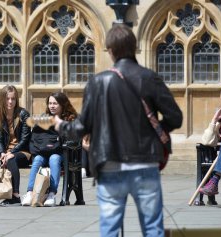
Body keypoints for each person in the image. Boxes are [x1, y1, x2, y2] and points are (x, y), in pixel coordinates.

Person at [54, 24, 183, 237]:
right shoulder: (149, 77)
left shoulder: (97, 82)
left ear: (111, 51)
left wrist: (61, 125)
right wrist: (155, 132)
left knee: (110, 229)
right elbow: (175, 117)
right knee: (153, 229)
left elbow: (81, 127)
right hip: (145, 163)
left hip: (110, 164)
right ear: (135, 47)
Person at [21, 92, 78, 207]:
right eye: (50, 103)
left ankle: (52, 194)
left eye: (55, 103)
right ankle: (30, 192)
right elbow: (35, 138)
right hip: (43, 152)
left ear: (62, 105)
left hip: (63, 154)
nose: (52, 106)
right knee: (37, 159)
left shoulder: (70, 119)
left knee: (54, 159)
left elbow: (75, 140)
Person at [0, 85, 31, 207]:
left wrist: (11, 152)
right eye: (7, 99)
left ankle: (15, 196)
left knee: (11, 158)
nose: (10, 102)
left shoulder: (23, 114)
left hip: (23, 152)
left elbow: (24, 139)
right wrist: (1, 152)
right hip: (5, 151)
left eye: (13, 99)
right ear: (2, 100)